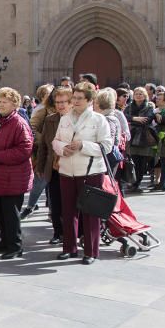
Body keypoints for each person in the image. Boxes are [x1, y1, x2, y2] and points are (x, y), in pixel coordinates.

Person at [53, 81, 113, 264]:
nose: (75, 101)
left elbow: (107, 146)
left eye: (80, 98)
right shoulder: (64, 118)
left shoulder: (98, 119)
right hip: (66, 171)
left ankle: (91, 251)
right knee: (68, 211)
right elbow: (55, 141)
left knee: (90, 213)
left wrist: (83, 146)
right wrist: (63, 148)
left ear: (89, 100)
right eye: (74, 97)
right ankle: (69, 248)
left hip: (90, 172)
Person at [0, 87, 34, 259]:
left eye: (4, 102)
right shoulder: (0, 120)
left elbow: (25, 149)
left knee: (10, 214)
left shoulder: (18, 123)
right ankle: (5, 241)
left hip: (12, 177)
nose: (0, 105)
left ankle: (15, 245)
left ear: (14, 104)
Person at [36, 86, 72, 244]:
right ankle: (58, 233)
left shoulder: (76, 119)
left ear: (71, 103)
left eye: (64, 102)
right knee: (55, 203)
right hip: (54, 167)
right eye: (58, 102)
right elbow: (44, 145)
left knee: (70, 203)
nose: (61, 105)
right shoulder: (50, 120)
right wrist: (40, 166)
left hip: (72, 168)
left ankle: (72, 233)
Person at [21, 83, 55, 219]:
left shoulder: (57, 108)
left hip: (57, 152)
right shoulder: (41, 110)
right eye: (49, 93)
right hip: (44, 151)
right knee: (40, 181)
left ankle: (52, 212)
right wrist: (46, 140)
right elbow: (32, 129)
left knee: (51, 185)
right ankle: (30, 206)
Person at [124, 87, 156, 193]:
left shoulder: (149, 106)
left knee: (142, 162)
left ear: (145, 95)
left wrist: (133, 120)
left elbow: (147, 120)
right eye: (136, 93)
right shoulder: (129, 107)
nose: (138, 95)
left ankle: (137, 183)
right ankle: (133, 182)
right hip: (132, 137)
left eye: (141, 94)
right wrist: (135, 118)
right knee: (133, 160)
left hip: (144, 137)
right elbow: (124, 117)